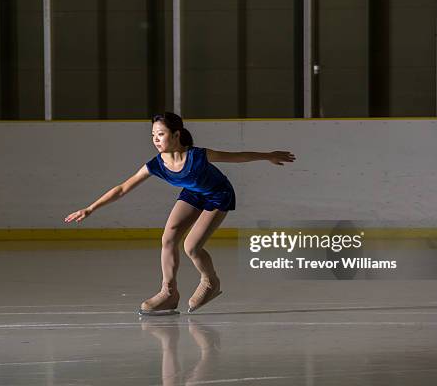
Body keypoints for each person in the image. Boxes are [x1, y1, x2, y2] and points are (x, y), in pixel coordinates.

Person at [64, 112, 296, 314]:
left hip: (218, 194)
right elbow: (123, 188)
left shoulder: (197, 156)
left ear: (176, 135)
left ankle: (210, 282)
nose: (155, 139)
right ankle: (169, 293)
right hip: (193, 193)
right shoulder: (156, 164)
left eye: (161, 134)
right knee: (168, 238)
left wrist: (268, 155)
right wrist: (90, 208)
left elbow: (237, 156)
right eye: (153, 135)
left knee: (191, 247)